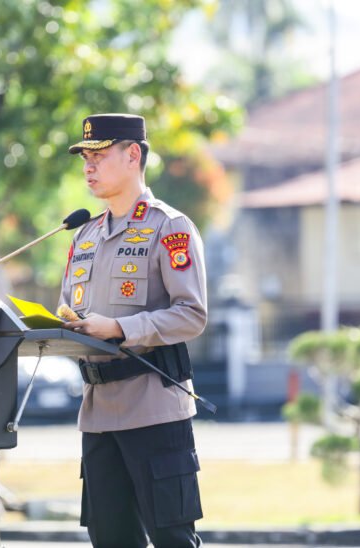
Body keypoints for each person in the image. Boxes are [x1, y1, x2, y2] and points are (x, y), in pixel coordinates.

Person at [59, 114, 208, 547]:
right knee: (110, 539)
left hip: (153, 407)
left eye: (99, 156)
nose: (88, 166)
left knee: (171, 538)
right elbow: (68, 310)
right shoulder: (84, 236)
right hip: (98, 412)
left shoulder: (169, 227)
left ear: (133, 155)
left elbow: (191, 314)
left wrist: (119, 328)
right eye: (85, 158)